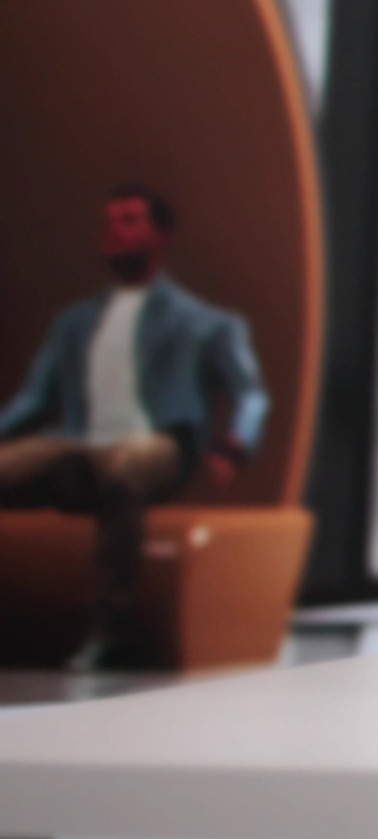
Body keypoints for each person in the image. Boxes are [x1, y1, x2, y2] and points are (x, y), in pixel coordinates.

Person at [0, 188, 265, 670]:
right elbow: (35, 400)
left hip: (162, 443)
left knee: (124, 468)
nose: (114, 231)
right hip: (79, 444)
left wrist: (236, 443)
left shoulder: (203, 323)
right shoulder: (75, 323)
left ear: (160, 235)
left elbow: (251, 395)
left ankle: (113, 630)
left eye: (129, 220)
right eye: (109, 221)